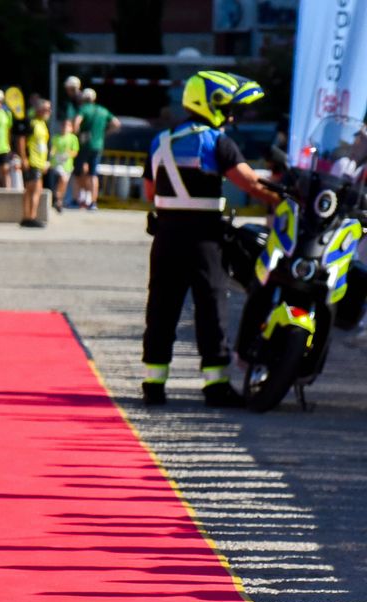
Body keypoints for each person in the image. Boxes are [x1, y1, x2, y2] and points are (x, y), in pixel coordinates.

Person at [141, 71, 278, 408]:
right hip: (204, 238)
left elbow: (149, 191)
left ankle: (154, 383)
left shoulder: (161, 141)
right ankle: (216, 387)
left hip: (165, 236)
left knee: (161, 307)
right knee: (211, 307)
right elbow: (249, 183)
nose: (230, 117)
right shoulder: (217, 142)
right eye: (227, 109)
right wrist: (283, 199)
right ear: (211, 104)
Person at [72, 88, 117, 210]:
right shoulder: (103, 110)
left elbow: (76, 122)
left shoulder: (83, 109)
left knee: (79, 172)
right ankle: (93, 202)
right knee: (93, 174)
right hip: (98, 145)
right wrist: (104, 133)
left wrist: (76, 134)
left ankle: (77, 199)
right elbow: (116, 123)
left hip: (84, 145)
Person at [19, 98, 50, 227]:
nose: (48, 111)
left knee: (35, 189)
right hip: (32, 160)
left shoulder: (43, 124)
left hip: (40, 162)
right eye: (46, 109)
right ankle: (30, 217)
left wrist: (46, 162)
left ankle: (28, 216)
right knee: (33, 189)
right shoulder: (31, 122)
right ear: (38, 109)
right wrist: (23, 158)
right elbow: (22, 140)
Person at [50, 118, 78, 215]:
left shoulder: (73, 138)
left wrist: (67, 154)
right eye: (64, 125)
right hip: (57, 163)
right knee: (62, 178)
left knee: (64, 182)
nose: (65, 128)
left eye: (68, 126)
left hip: (67, 164)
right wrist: (52, 154)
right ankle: (57, 196)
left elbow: (75, 151)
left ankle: (59, 200)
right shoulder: (56, 138)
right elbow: (53, 149)